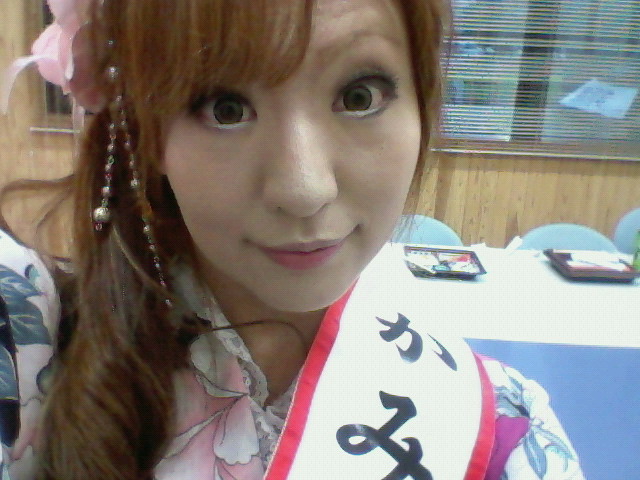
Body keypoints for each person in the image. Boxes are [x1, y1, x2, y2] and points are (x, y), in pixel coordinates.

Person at [0, 0, 584, 479]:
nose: (304, 189)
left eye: (359, 96)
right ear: (149, 136)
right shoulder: (28, 345)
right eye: (226, 107)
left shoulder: (503, 431)